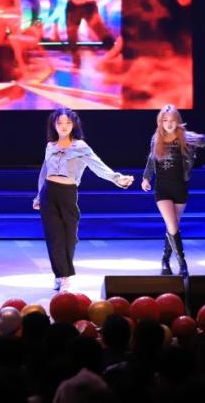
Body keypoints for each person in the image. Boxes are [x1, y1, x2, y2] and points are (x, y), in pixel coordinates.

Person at [33, 108, 134, 291]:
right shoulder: (50, 146)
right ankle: (62, 276)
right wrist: (39, 195)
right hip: (49, 192)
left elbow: (98, 166)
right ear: (54, 125)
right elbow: (44, 172)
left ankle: (63, 272)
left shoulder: (80, 146)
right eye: (59, 123)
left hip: (68, 193)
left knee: (70, 237)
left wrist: (117, 178)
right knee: (54, 237)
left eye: (67, 123)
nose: (63, 126)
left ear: (73, 125)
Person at [141, 105, 205, 276]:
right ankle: (182, 263)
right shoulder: (156, 138)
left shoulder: (186, 137)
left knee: (173, 226)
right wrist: (146, 177)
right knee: (172, 224)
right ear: (160, 122)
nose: (169, 123)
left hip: (180, 188)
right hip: (162, 188)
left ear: (177, 121)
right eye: (165, 120)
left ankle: (165, 259)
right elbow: (151, 159)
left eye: (172, 120)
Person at [64, 0, 119, 66]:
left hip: (89, 8)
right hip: (73, 8)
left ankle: (114, 51)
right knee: (72, 33)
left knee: (99, 30)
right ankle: (75, 56)